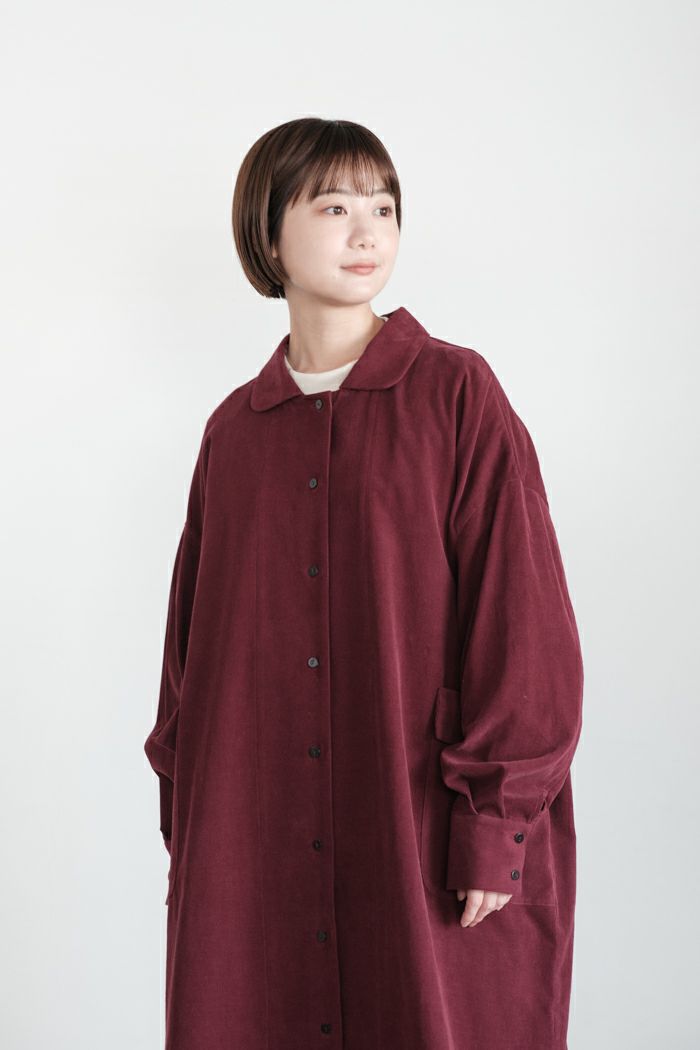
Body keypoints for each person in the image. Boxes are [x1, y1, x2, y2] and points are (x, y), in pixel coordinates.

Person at [144, 116, 584, 1050]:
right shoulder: (235, 434)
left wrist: (495, 824)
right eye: (335, 207)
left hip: (420, 831)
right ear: (269, 235)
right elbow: (189, 662)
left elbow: (525, 626)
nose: (367, 232)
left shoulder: (456, 395)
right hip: (255, 843)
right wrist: (195, 831)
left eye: (383, 208)